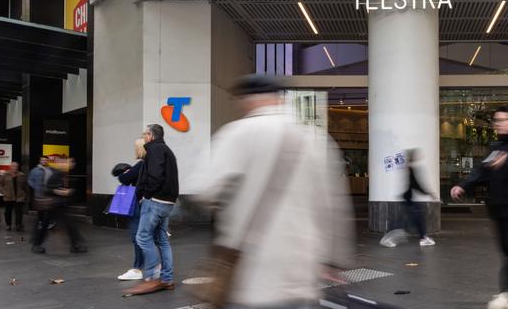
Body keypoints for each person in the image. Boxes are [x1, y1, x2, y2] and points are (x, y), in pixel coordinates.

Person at [190, 74, 354, 308]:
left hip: (253, 270)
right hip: (302, 268)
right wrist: (333, 259)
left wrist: (231, 204)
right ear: (279, 98)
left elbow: (203, 189)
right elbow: (334, 206)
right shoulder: (315, 139)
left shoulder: (237, 133)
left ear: (248, 100)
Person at [451, 106, 508, 309]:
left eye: (505, 119)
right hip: (500, 208)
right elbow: (482, 171)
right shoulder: (496, 146)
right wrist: (462, 185)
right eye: (497, 120)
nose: (500, 123)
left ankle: (505, 293)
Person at [124, 124, 179, 295]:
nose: (144, 137)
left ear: (151, 135)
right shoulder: (167, 151)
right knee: (162, 240)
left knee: (142, 237)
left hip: (154, 201)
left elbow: (154, 176)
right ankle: (167, 279)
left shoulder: (155, 150)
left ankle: (152, 277)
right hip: (167, 202)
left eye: (145, 134)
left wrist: (146, 195)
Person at [31, 157, 87, 254]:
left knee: (70, 225)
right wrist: (61, 192)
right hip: (53, 205)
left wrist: (69, 192)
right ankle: (36, 244)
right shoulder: (56, 174)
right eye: (70, 162)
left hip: (61, 204)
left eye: (72, 162)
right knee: (45, 225)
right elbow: (48, 188)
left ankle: (75, 245)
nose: (72, 164)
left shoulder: (66, 174)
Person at [115, 138, 148, 281]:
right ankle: (155, 266)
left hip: (138, 204)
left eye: (136, 147)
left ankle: (137, 268)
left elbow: (123, 178)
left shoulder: (141, 164)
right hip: (149, 203)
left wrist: (126, 171)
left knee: (137, 236)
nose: (134, 149)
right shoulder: (151, 164)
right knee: (151, 238)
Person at [403, 149, 437, 246]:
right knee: (418, 218)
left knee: (415, 218)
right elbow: (415, 184)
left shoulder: (408, 167)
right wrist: (429, 193)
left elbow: (414, 185)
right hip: (408, 198)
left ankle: (423, 237)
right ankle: (423, 238)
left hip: (408, 198)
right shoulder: (410, 168)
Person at [0, 162, 27, 231]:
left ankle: (18, 225)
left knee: (19, 212)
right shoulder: (5, 175)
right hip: (8, 197)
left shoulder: (22, 175)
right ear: (10, 167)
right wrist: (4, 192)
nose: (15, 167)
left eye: (16, 166)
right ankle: (8, 225)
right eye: (13, 166)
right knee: (8, 212)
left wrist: (25, 195)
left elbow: (25, 186)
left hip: (19, 197)